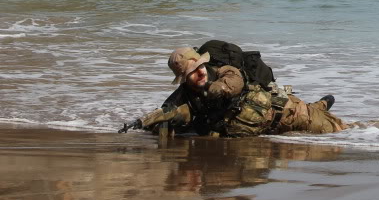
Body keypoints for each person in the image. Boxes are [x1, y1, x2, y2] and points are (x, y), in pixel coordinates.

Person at [126, 47, 348, 137]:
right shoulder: (189, 96)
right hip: (273, 132)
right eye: (192, 73)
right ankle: (321, 103)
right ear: (184, 79)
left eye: (200, 67)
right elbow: (171, 112)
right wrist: (152, 122)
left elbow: (234, 83)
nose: (199, 73)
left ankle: (322, 105)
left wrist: (214, 90)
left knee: (343, 130)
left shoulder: (224, 71)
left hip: (293, 114)